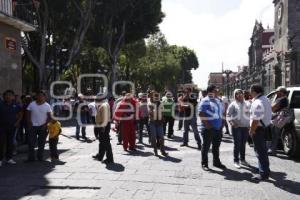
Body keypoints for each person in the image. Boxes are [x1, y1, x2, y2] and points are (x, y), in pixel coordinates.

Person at [199, 85, 226, 171]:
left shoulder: (217, 100)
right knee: (206, 147)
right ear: (211, 92)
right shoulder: (205, 100)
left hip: (218, 128)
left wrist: (222, 123)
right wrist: (207, 125)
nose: (217, 91)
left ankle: (216, 162)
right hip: (208, 129)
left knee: (216, 146)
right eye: (216, 90)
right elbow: (201, 113)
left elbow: (220, 112)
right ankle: (204, 163)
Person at [249, 84, 272, 181]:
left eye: (251, 90)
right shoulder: (265, 99)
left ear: (254, 91)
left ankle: (263, 173)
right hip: (264, 127)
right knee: (263, 151)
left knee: (260, 152)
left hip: (258, 130)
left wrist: (251, 130)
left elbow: (256, 119)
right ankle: (265, 169)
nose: (250, 93)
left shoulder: (257, 102)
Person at [227, 89, 250, 168]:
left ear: (243, 94)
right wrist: (232, 123)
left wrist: (250, 124)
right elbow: (228, 115)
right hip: (237, 127)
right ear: (235, 95)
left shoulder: (247, 103)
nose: (239, 95)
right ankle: (236, 161)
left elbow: (250, 114)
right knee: (237, 144)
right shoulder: (233, 104)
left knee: (243, 144)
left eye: (241, 93)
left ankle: (242, 160)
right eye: (237, 94)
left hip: (245, 127)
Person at [26, 91, 52, 162]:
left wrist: (45, 125)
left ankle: (40, 157)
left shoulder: (47, 105)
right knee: (31, 143)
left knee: (41, 143)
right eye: (39, 96)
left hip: (42, 127)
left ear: (44, 97)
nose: (40, 97)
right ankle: (31, 158)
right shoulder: (32, 104)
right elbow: (27, 113)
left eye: (42, 96)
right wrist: (29, 122)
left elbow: (49, 117)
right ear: (36, 96)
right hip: (32, 126)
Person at [0, 90, 22, 166]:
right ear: (4, 96)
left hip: (12, 127)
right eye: (7, 95)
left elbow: (20, 114)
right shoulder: (1, 104)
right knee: (1, 142)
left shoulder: (16, 105)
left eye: (10, 95)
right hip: (1, 127)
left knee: (10, 143)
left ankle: (9, 158)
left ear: (13, 97)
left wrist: (18, 122)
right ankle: (0, 159)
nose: (8, 96)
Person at [93, 93, 114, 164]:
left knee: (106, 142)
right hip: (102, 125)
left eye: (96, 99)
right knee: (102, 141)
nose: (95, 100)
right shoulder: (103, 104)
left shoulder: (104, 105)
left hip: (103, 125)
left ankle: (109, 158)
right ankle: (100, 155)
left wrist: (103, 127)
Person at [269, 86, 289, 155]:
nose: (276, 92)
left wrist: (273, 106)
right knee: (273, 135)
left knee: (275, 135)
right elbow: (273, 107)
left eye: (278, 91)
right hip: (276, 119)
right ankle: (272, 149)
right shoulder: (278, 98)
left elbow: (273, 108)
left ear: (282, 92)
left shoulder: (283, 100)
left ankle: (273, 150)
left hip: (279, 119)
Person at [148, 91, 168, 156]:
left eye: (156, 95)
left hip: (159, 122)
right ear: (151, 96)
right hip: (152, 122)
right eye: (153, 95)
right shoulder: (149, 103)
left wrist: (162, 117)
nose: (155, 96)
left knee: (162, 137)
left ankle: (162, 150)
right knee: (153, 137)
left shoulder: (160, 103)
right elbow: (150, 113)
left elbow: (162, 112)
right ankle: (155, 150)